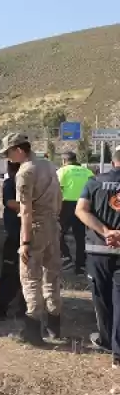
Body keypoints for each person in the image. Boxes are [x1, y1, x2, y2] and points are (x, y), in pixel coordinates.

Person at [1, 133, 63, 345]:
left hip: (35, 226)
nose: (8, 158)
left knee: (30, 277)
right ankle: (54, 327)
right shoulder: (49, 165)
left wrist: (25, 242)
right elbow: (59, 197)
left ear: (19, 150)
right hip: (53, 225)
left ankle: (33, 333)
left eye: (9, 152)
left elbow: (26, 211)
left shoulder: (25, 172)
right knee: (51, 277)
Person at [75, 149, 120, 369]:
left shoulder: (94, 182)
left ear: (113, 161)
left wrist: (105, 231)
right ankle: (118, 353)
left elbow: (81, 211)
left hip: (98, 249)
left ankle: (106, 340)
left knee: (102, 298)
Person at [0, 161, 27, 319]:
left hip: (20, 236)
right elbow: (10, 203)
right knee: (17, 274)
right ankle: (15, 308)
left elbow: (11, 203)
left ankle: (1, 308)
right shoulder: (14, 183)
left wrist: (30, 207)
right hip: (19, 234)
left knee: (12, 274)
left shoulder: (13, 182)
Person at [57, 151, 93, 274]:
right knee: (81, 237)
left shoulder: (62, 171)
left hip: (66, 205)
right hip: (84, 205)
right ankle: (81, 265)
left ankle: (66, 258)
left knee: (58, 232)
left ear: (64, 161)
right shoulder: (88, 172)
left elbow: (57, 189)